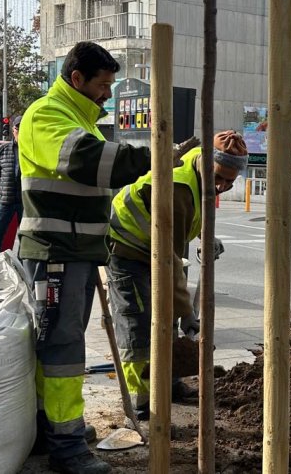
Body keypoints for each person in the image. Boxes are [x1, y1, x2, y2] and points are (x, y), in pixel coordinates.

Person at [17, 41, 154, 474]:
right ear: (77, 79)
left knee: (57, 344)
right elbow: (88, 162)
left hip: (72, 251)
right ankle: (66, 444)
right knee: (62, 350)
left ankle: (50, 427)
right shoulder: (46, 114)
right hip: (55, 252)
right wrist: (153, 156)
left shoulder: (79, 118)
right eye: (102, 84)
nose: (108, 94)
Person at [107, 130, 247, 421]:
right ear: (207, 163)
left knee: (165, 317)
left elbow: (190, 223)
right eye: (218, 177)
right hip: (128, 248)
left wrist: (208, 239)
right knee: (138, 322)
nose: (220, 186)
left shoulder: (200, 173)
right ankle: (140, 397)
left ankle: (167, 382)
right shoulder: (179, 186)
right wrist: (187, 314)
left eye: (229, 182)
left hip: (155, 247)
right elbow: (169, 259)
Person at [0, 115, 23, 255]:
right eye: (17, 128)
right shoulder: (3, 149)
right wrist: (3, 188)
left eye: (23, 128)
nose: (20, 131)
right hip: (5, 200)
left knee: (26, 236)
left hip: (24, 200)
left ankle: (23, 265)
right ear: (13, 130)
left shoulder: (31, 150)